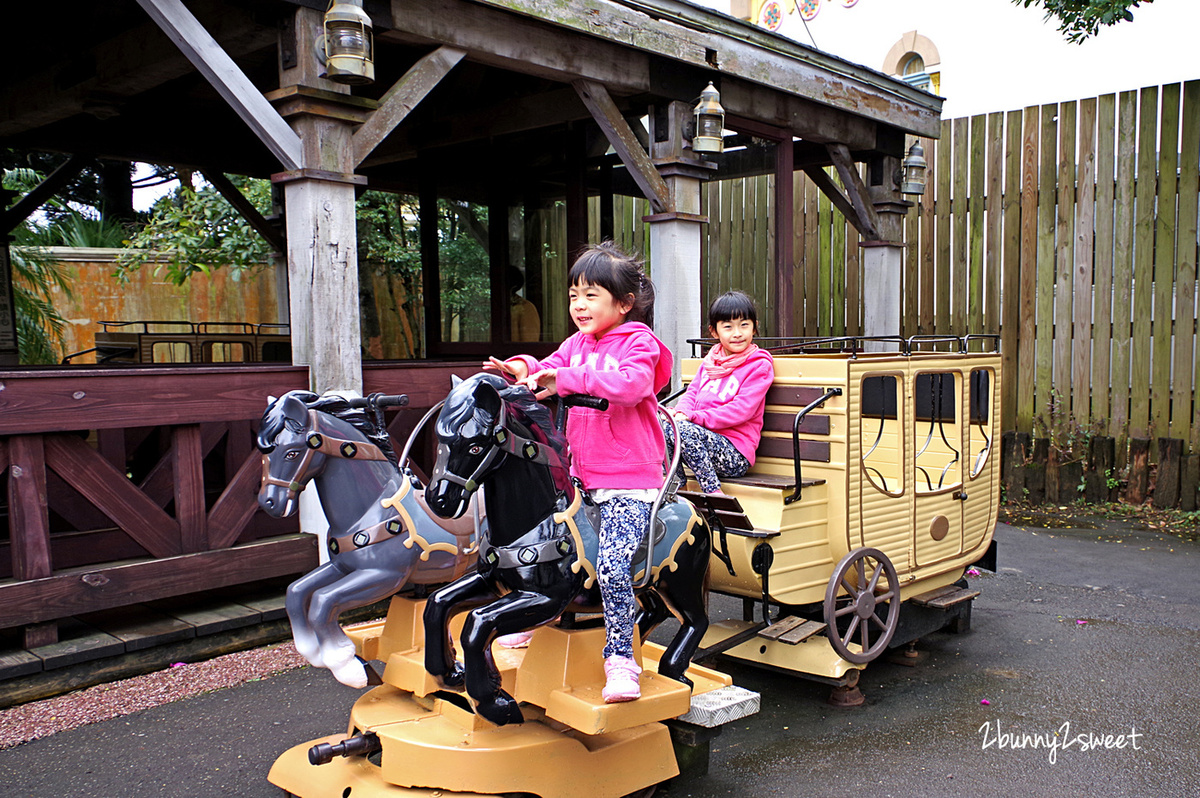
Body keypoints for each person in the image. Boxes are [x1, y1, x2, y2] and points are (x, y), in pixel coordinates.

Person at [486, 241, 670, 703]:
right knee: (549, 550)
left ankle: (621, 657)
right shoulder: (576, 344)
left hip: (630, 480)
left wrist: (563, 379)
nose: (579, 305)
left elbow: (630, 387)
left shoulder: (638, 342)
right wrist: (520, 368)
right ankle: (538, 616)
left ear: (623, 303)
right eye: (573, 296)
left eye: (591, 295)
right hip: (581, 477)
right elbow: (547, 368)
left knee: (610, 567)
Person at [663, 291, 774, 495]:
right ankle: (678, 488)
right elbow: (691, 394)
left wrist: (694, 417)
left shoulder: (759, 366)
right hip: (703, 443)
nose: (737, 333)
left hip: (734, 453)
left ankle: (713, 493)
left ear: (754, 327)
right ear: (714, 332)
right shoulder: (711, 362)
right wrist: (680, 413)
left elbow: (741, 410)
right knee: (664, 425)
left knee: (685, 430)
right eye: (728, 326)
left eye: (744, 325)